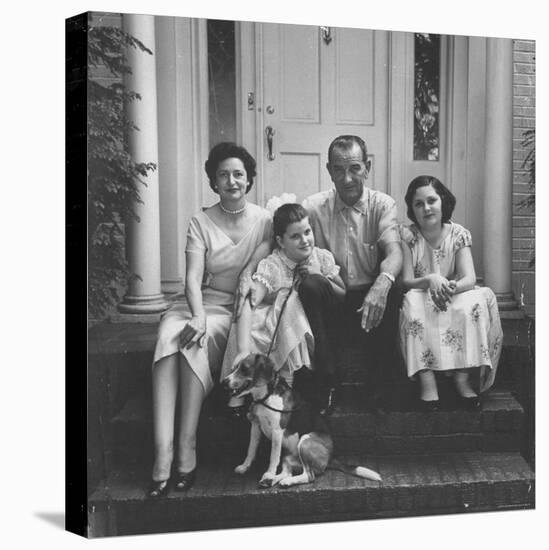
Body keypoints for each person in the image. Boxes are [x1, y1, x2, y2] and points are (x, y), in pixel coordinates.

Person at [148, 142, 272, 497]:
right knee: (170, 334)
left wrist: (248, 275)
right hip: (203, 303)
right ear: (213, 181)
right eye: (223, 174)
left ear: (248, 180)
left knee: (192, 342)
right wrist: (198, 314)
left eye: (238, 174)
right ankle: (162, 453)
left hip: (239, 309)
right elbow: (191, 277)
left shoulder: (264, 220)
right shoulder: (200, 221)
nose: (231, 181)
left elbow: (269, 258)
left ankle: (186, 450)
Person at [302, 135, 403, 411]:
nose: (347, 178)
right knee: (309, 285)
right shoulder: (312, 207)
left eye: (355, 168)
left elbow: (394, 251)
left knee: (394, 287)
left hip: (369, 302)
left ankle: (381, 388)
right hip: (332, 298)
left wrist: (382, 283)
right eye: (338, 169)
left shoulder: (382, 205)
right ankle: (326, 383)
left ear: (367, 168)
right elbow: (285, 240)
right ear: (329, 171)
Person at [221, 204, 345, 413]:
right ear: (280, 241)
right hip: (286, 324)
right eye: (295, 236)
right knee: (276, 309)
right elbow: (253, 299)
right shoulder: (275, 263)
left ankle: (293, 387)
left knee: (293, 302)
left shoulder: (321, 257)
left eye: (307, 232)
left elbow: (342, 293)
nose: (305, 240)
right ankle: (249, 394)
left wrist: (319, 276)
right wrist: (243, 349)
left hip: (318, 326)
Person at [399, 175, 503, 411]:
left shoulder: (458, 234)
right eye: (418, 203)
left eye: (431, 200)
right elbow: (406, 281)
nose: (426, 208)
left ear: (443, 201)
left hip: (452, 292)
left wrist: (448, 286)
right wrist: (430, 279)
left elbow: (469, 277)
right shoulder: (408, 236)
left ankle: (462, 376)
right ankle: (427, 381)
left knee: (474, 301)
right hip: (422, 292)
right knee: (412, 303)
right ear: (412, 209)